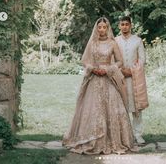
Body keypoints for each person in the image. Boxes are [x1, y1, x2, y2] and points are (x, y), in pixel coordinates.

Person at [62, 17, 138, 155]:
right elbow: (84, 61)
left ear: (108, 28)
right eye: (99, 27)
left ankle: (113, 140)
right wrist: (93, 68)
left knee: (112, 109)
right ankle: (93, 140)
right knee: (93, 109)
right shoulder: (92, 43)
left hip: (108, 79)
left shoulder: (112, 43)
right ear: (96, 29)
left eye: (104, 27)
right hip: (94, 79)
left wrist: (108, 69)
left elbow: (120, 62)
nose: (102, 30)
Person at [115, 16, 149, 145]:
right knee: (121, 106)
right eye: (122, 24)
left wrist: (132, 71)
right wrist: (121, 70)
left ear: (130, 26)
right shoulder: (116, 41)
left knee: (136, 107)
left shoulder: (137, 40)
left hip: (135, 78)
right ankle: (123, 134)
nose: (124, 26)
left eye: (127, 24)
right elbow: (112, 58)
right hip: (120, 77)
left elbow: (142, 59)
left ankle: (138, 134)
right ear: (119, 26)